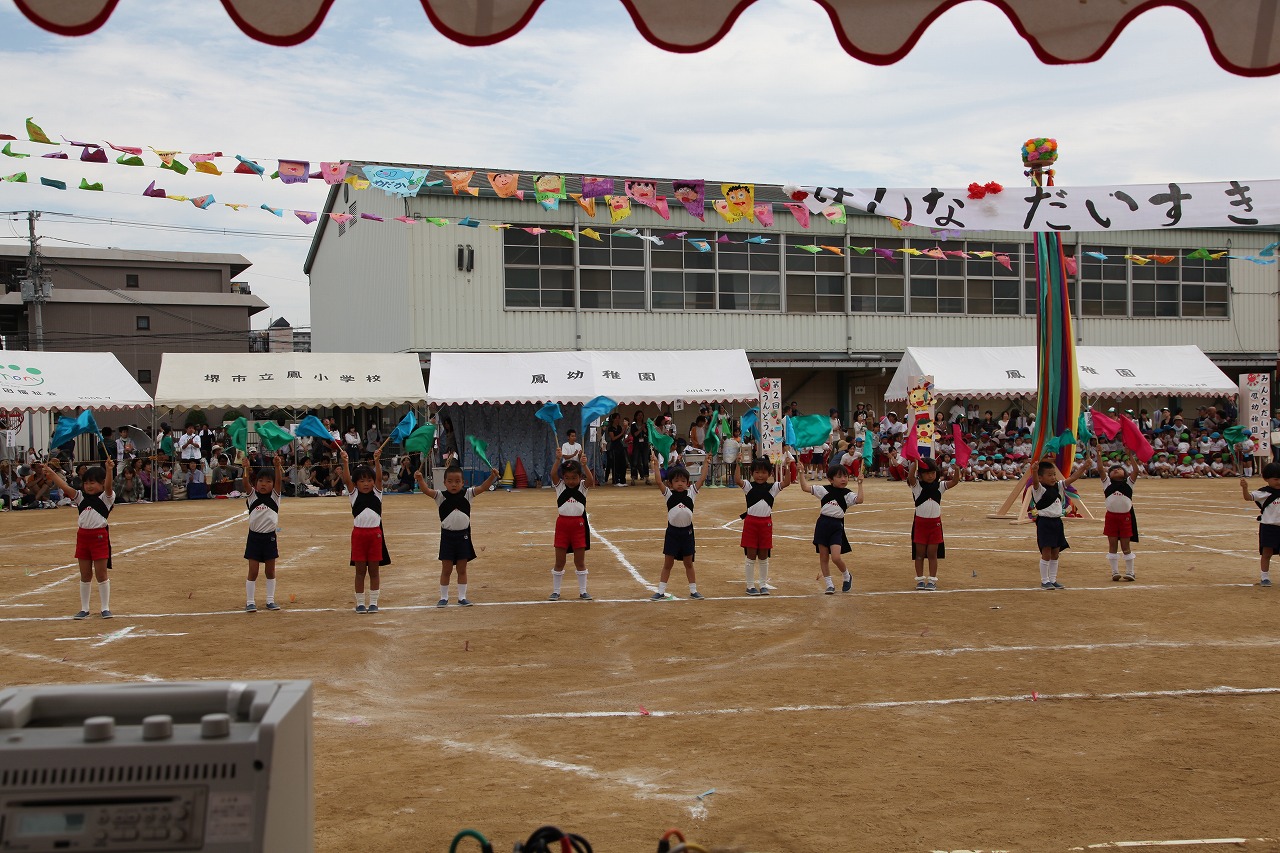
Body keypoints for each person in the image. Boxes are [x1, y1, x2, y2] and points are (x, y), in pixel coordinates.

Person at [38, 458, 115, 619]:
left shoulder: (106, 498)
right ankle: (84, 608)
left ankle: (105, 607)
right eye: (86, 483)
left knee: (101, 574)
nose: (88, 486)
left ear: (101, 484)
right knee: (85, 574)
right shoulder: (80, 497)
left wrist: (109, 470)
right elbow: (64, 486)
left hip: (99, 537)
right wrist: (51, 473)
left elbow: (108, 487)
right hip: (83, 537)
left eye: (93, 483)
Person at [415, 462, 499, 607]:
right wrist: (420, 479)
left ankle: (462, 597)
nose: (454, 484)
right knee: (446, 569)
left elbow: (484, 487)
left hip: (463, 537)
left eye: (457, 481)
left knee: (462, 569)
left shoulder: (468, 494)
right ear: (444, 483)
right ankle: (443, 597)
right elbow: (426, 490)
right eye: (450, 482)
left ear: (463, 482)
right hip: (447, 537)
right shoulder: (440, 496)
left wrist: (492, 477)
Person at [649, 447, 711, 600]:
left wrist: (706, 464)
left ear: (688, 483)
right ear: (670, 484)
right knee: (668, 564)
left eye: (683, 481)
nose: (680, 484)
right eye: (676, 481)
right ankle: (661, 591)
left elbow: (702, 478)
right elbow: (658, 481)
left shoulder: (692, 493)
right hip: (672, 533)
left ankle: (693, 590)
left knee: (688, 563)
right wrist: (656, 465)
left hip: (687, 533)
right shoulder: (668, 494)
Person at [797, 463, 864, 594]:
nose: (844, 479)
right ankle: (829, 584)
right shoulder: (824, 490)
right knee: (823, 557)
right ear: (830, 479)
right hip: (822, 525)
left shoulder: (847, 494)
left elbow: (860, 500)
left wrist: (860, 484)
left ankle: (846, 576)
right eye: (839, 477)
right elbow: (805, 487)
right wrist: (801, 473)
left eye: (845, 476)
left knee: (836, 557)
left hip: (837, 526)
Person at [338, 447, 389, 613]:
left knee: (374, 570)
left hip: (375, 535)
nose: (366, 484)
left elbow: (380, 477)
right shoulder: (353, 494)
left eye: (369, 480)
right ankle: (360, 603)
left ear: (374, 482)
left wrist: (377, 461)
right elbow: (346, 480)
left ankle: (373, 602)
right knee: (360, 571)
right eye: (361, 481)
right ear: (356, 483)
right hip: (359, 535)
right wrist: (345, 462)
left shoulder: (377, 493)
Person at [1031, 458, 1089, 590]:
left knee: (1056, 552)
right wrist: (1034, 471)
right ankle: (1044, 580)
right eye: (1049, 475)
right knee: (1046, 551)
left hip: (1057, 522)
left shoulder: (1059, 486)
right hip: (1045, 522)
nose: (1053, 478)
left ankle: (1053, 579)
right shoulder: (1038, 489)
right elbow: (1034, 482)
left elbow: (1073, 477)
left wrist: (1084, 467)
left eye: (1054, 475)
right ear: (1040, 477)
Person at [733, 457, 789, 595]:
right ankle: (750, 585)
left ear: (769, 474)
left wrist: (787, 466)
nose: (760, 475)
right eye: (757, 472)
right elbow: (737, 480)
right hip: (751, 523)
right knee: (751, 555)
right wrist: (738, 463)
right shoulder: (749, 486)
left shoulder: (773, 488)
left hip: (766, 524)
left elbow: (786, 482)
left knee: (764, 555)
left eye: (764, 472)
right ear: (752, 473)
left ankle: (763, 584)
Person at [907, 457, 961, 591]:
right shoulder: (917, 487)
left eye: (933, 473)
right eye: (927, 473)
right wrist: (915, 464)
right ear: (920, 474)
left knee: (932, 553)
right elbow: (910, 477)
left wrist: (957, 471)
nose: (930, 476)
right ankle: (920, 579)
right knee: (919, 554)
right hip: (920, 525)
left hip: (935, 525)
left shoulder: (940, 486)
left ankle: (932, 580)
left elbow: (954, 481)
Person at [550, 446, 595, 601]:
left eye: (574, 478)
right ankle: (556, 591)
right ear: (563, 478)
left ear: (579, 477)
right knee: (559, 561)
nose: (570, 481)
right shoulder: (560, 486)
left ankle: (583, 591)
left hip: (579, 527)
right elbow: (552, 474)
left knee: (579, 561)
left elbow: (591, 480)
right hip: (562, 526)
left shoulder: (583, 487)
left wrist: (584, 464)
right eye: (567, 478)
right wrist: (557, 459)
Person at [241, 453, 285, 613]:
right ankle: (250, 601)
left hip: (269, 538)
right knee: (253, 571)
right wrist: (245, 468)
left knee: (270, 570)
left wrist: (277, 466)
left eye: (268, 481)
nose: (264, 484)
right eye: (260, 481)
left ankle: (270, 600)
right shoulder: (252, 497)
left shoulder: (275, 497)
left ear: (273, 484)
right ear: (256, 483)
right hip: (254, 538)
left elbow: (279, 480)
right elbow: (245, 482)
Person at [1102, 451, 1140, 582]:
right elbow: (1100, 469)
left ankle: (1130, 572)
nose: (1116, 470)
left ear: (1125, 473)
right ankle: (1115, 572)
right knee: (1112, 545)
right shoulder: (1107, 484)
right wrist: (1098, 453)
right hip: (1111, 518)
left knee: (1126, 546)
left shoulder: (1129, 483)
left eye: (1119, 469)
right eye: (1113, 470)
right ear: (1109, 475)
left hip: (1125, 518)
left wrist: (1130, 456)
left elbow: (1136, 470)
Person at [1242, 461, 1280, 588]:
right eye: (1276, 479)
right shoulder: (1263, 493)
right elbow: (1248, 497)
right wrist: (1245, 488)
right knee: (1266, 553)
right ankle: (1265, 577)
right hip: (1268, 527)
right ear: (1266, 479)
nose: (1278, 482)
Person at [628, 410, 650, 485]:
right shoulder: (633, 425)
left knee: (645, 461)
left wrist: (644, 429)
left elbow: (647, 434)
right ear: (636, 417)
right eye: (639, 415)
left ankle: (647, 478)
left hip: (644, 444)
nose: (640, 417)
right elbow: (634, 435)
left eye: (641, 415)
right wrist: (640, 429)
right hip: (637, 444)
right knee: (634, 461)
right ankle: (633, 478)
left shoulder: (645, 425)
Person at [607, 412, 628, 486]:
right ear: (613, 419)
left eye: (619, 418)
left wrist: (624, 430)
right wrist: (622, 433)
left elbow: (621, 437)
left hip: (620, 446)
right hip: (614, 447)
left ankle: (623, 480)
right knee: (616, 464)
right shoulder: (610, 428)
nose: (618, 420)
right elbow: (613, 438)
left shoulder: (619, 427)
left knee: (623, 463)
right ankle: (616, 480)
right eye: (616, 418)